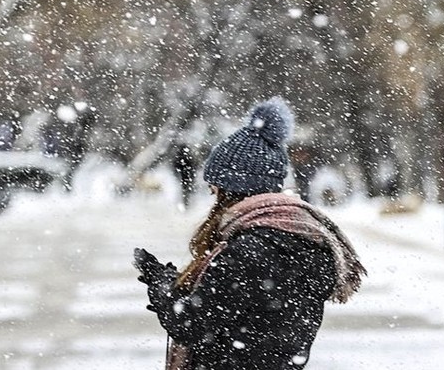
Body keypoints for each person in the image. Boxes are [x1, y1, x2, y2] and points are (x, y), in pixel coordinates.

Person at [133, 98, 366, 370]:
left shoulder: (249, 251)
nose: (213, 195)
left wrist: (161, 284)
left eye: (216, 188)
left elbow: (191, 323)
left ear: (232, 188)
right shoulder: (306, 239)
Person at [171, 142, 197, 210]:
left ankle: (186, 203)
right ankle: (187, 203)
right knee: (188, 189)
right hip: (187, 176)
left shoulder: (179, 157)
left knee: (185, 190)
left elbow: (175, 166)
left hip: (184, 176)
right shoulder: (188, 156)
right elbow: (193, 165)